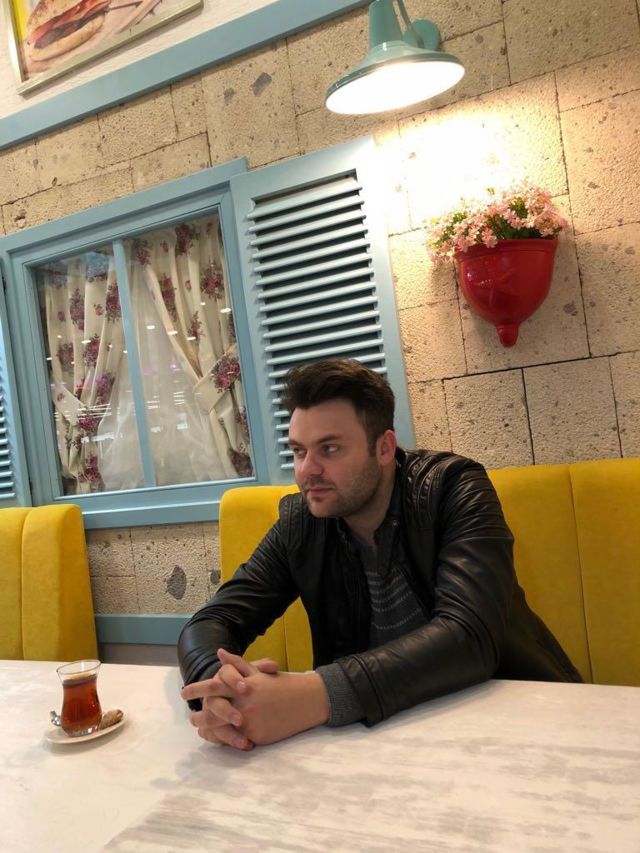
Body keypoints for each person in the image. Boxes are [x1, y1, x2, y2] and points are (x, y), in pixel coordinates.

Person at [178, 358, 581, 750]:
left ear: (384, 447)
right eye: (299, 451)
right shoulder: (302, 524)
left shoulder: (453, 489)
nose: (307, 470)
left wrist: (315, 695)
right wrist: (224, 691)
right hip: (383, 741)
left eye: (329, 448)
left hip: (520, 724)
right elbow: (212, 621)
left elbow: (469, 635)